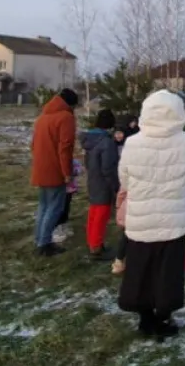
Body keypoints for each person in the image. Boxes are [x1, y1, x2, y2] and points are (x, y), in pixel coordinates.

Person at [118, 90, 185, 341]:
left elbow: (125, 179)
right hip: (173, 218)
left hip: (142, 217)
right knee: (168, 271)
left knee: (140, 269)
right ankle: (164, 317)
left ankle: (144, 318)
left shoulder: (132, 142)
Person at [31, 89, 78, 256]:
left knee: (44, 206)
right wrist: (67, 172)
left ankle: (39, 240)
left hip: (40, 168)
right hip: (55, 169)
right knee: (55, 207)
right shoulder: (66, 118)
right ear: (71, 104)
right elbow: (65, 148)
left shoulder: (42, 117)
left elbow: (33, 144)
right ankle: (45, 244)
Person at [83, 109, 119, 262]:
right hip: (103, 182)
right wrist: (115, 185)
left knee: (93, 212)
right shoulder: (106, 142)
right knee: (101, 215)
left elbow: (87, 162)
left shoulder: (90, 140)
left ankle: (92, 242)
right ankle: (96, 248)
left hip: (92, 179)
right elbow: (108, 167)